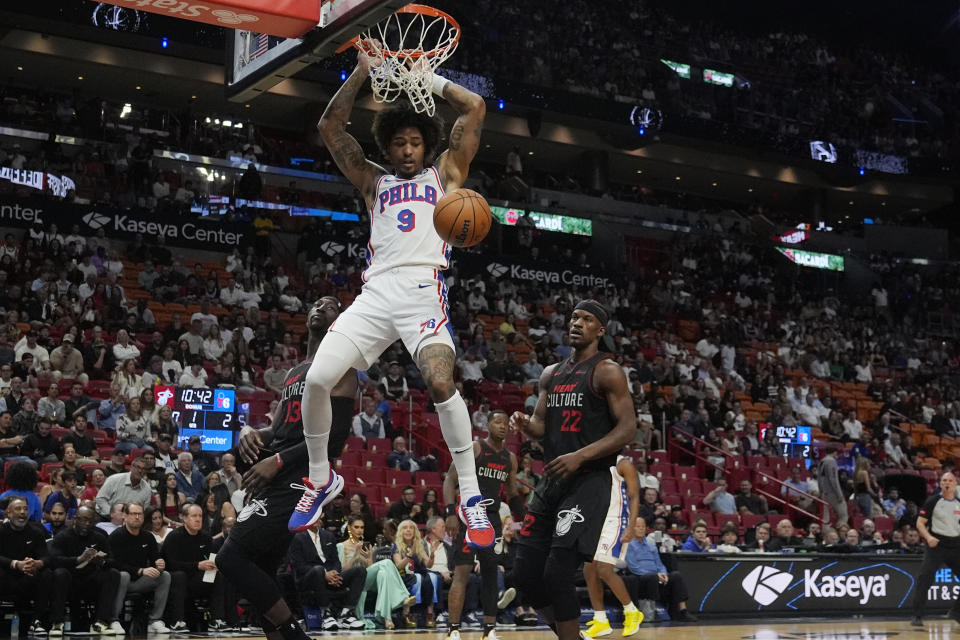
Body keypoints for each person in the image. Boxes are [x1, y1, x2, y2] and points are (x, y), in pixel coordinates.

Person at [290, 47, 493, 552]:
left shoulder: (444, 175)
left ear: (426, 147)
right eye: (398, 142)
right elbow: (331, 129)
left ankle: (471, 496)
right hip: (376, 292)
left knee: (441, 382)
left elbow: (474, 109)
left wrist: (432, 79)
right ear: (388, 144)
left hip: (423, 289)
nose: (406, 150)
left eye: (414, 142)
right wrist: (360, 73)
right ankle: (321, 479)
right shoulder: (373, 181)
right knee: (316, 380)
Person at [215, 297, 357, 640]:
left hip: (300, 477)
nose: (320, 307)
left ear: (340, 321)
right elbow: (277, 430)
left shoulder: (342, 368)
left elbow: (333, 442)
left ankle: (296, 635)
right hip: (275, 473)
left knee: (229, 559)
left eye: (330, 306)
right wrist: (253, 432)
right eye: (317, 303)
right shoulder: (295, 372)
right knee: (262, 568)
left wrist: (277, 459)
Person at [509, 300, 637, 640]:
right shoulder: (551, 374)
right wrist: (524, 423)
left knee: (556, 575)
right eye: (574, 317)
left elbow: (627, 429)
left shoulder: (607, 371)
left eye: (587, 319)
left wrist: (580, 456)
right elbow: (539, 425)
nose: (577, 323)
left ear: (601, 329)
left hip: (588, 482)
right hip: (552, 480)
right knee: (523, 575)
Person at [443, 409, 522, 640]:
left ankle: (489, 630)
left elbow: (513, 492)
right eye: (498, 421)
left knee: (490, 574)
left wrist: (525, 516)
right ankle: (454, 629)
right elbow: (450, 478)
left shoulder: (510, 458)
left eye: (506, 423)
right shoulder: (476, 448)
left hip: (493, 519)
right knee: (462, 572)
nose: (503, 426)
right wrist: (449, 512)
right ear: (487, 425)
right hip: (469, 516)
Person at [583, 456, 643, 638]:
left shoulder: (623, 464)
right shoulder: (593, 463)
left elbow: (634, 496)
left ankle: (632, 611)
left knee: (604, 569)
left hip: (616, 522)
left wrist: (631, 526)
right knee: (589, 569)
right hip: (596, 521)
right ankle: (601, 620)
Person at [0, 496, 70, 636]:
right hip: (6, 577)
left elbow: (46, 557)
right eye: (18, 509)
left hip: (28, 576)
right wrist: (15, 564)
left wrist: (38, 563)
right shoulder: (1, 531)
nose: (22, 512)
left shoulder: (36, 532)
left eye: (25, 509)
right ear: (8, 513)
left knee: (47, 573)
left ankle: (36, 620)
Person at [49, 505, 124, 634]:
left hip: (90, 580)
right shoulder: (63, 536)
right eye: (83, 520)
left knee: (113, 573)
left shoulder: (99, 537)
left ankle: (101, 621)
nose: (86, 524)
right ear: (75, 519)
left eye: (90, 521)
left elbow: (113, 561)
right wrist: (78, 559)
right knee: (59, 573)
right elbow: (54, 560)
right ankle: (57, 622)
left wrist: (102, 561)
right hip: (70, 581)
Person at [163, 503, 236, 631]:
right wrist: (197, 565)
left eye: (200, 516)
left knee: (217, 575)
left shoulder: (206, 537)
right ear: (184, 518)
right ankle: (177, 621)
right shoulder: (174, 536)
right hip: (177, 580)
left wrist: (213, 565)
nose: (198, 519)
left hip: (197, 580)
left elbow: (210, 558)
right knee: (180, 576)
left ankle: (217, 619)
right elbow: (170, 564)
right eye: (194, 516)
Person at [337, 514, 415, 629]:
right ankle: (402, 599)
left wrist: (369, 558)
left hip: (366, 581)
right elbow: (342, 571)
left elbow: (372, 570)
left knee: (383, 573)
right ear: (349, 528)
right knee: (387, 563)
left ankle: (386, 618)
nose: (359, 530)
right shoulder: (341, 546)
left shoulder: (365, 546)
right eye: (356, 527)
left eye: (362, 527)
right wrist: (355, 555)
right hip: (352, 582)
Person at [288, 522, 366, 631]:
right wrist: (325, 574)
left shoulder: (328, 535)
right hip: (308, 579)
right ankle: (326, 614)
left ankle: (346, 614)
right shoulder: (298, 538)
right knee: (318, 569)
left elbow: (336, 561)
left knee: (360, 570)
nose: (317, 520)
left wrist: (334, 573)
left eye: (319, 517)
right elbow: (299, 566)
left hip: (331, 576)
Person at [108, 503, 172, 634]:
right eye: (133, 514)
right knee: (123, 575)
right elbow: (113, 563)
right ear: (125, 516)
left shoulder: (148, 537)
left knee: (165, 576)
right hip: (121, 582)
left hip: (139, 581)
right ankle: (113, 620)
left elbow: (156, 559)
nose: (137, 517)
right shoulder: (116, 536)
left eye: (140, 514)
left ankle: (155, 621)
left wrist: (159, 564)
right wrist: (140, 570)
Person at [622, 517, 696, 621]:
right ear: (632, 529)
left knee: (676, 576)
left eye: (643, 527)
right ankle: (652, 611)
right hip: (640, 577)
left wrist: (663, 573)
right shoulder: (628, 545)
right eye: (638, 526)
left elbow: (660, 564)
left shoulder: (651, 546)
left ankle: (682, 611)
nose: (641, 529)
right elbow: (633, 567)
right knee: (652, 577)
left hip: (656, 576)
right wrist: (656, 575)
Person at [912, 472, 960, 626]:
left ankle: (956, 612)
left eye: (950, 480)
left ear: (955, 484)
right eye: (944, 480)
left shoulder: (959, 502)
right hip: (936, 545)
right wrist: (928, 537)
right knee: (924, 578)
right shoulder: (933, 501)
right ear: (940, 483)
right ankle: (917, 616)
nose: (947, 483)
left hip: (956, 545)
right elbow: (920, 523)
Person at [817, 442, 848, 525]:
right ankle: (841, 532)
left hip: (824, 493)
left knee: (826, 518)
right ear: (834, 452)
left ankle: (827, 533)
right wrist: (839, 494)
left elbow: (819, 478)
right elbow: (833, 479)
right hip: (832, 493)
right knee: (843, 515)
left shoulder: (822, 461)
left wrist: (821, 492)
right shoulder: (831, 461)